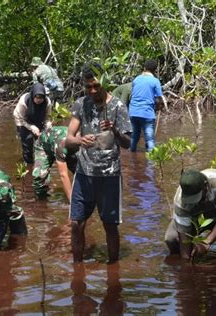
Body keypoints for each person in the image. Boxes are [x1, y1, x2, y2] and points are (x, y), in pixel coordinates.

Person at [66, 62, 132, 263]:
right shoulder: (81, 104)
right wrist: (79, 140)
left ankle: (113, 271)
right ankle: (77, 269)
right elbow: (68, 139)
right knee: (76, 223)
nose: (93, 91)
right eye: (88, 87)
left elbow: (128, 143)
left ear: (104, 82)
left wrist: (114, 130)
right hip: (84, 173)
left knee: (110, 226)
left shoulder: (118, 107)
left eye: (96, 86)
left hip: (109, 176)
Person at [164, 169, 216, 260]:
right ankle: (194, 254)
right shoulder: (180, 200)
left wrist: (205, 243)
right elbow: (183, 234)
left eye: (196, 198)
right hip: (194, 217)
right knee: (171, 238)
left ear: (205, 187)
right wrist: (186, 262)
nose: (194, 202)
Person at [32, 124, 78, 200]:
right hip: (44, 147)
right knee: (39, 177)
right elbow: (63, 174)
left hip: (67, 147)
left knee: (80, 171)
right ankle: (41, 201)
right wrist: (71, 201)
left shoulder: (84, 141)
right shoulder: (62, 145)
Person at [129, 60, 163, 152]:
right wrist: (159, 107)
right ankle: (151, 164)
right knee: (150, 139)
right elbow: (159, 98)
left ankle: (132, 155)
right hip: (147, 113)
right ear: (155, 71)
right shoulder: (155, 81)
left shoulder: (136, 79)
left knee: (134, 136)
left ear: (144, 68)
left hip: (133, 112)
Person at [13, 83, 51, 164]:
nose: (39, 100)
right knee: (27, 142)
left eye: (41, 98)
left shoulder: (47, 102)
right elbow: (19, 117)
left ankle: (39, 163)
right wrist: (31, 127)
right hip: (22, 120)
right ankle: (28, 164)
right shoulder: (24, 101)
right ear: (33, 95)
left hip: (38, 119)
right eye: (37, 97)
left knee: (41, 142)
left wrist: (48, 126)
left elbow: (47, 117)